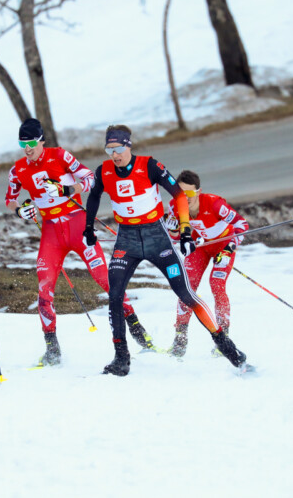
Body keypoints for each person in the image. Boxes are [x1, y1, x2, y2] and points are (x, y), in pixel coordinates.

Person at [83, 124, 251, 376]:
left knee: (185, 293)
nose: (114, 154)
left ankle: (227, 347)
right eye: (109, 149)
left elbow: (179, 196)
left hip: (155, 236)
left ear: (128, 145)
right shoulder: (104, 171)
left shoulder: (150, 165)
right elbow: (94, 196)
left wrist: (185, 231)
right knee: (115, 295)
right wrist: (88, 227)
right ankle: (121, 358)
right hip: (126, 239)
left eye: (118, 148)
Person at [5, 118, 152, 366]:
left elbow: (89, 179)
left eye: (31, 142)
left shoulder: (59, 155)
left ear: (41, 140)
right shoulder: (18, 168)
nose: (27, 149)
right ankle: (52, 347)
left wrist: (66, 189)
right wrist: (21, 210)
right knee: (44, 288)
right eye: (22, 143)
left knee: (104, 279)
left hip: (76, 224)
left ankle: (138, 330)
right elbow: (10, 198)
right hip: (51, 232)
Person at [164, 170, 249, 357]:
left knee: (216, 285)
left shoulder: (215, 204)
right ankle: (180, 338)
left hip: (223, 245)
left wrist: (229, 248)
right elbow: (176, 237)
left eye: (190, 194)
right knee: (186, 287)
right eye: (180, 193)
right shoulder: (174, 206)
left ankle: (223, 338)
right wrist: (171, 230)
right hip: (200, 247)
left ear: (199, 191)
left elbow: (242, 225)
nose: (185, 198)